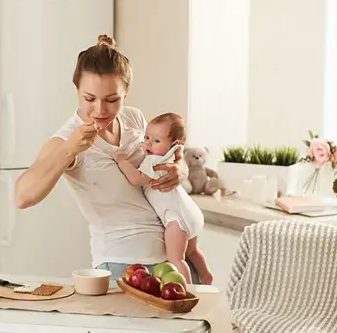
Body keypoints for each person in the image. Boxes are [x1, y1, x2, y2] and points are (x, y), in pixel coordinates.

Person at [13, 34, 201, 282]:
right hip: (121, 266)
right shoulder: (67, 139)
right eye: (89, 99)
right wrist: (69, 149)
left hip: (171, 258)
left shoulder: (134, 118)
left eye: (112, 100)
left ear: (126, 93)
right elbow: (22, 197)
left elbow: (164, 158)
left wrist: (180, 170)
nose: (100, 110)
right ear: (76, 90)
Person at [113, 112, 213, 285]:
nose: (148, 143)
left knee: (176, 259)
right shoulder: (171, 159)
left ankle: (188, 289)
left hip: (176, 220)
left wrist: (122, 161)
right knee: (192, 251)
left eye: (156, 141)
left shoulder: (155, 161)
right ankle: (205, 275)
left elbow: (136, 179)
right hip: (190, 213)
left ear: (175, 145)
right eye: (146, 137)